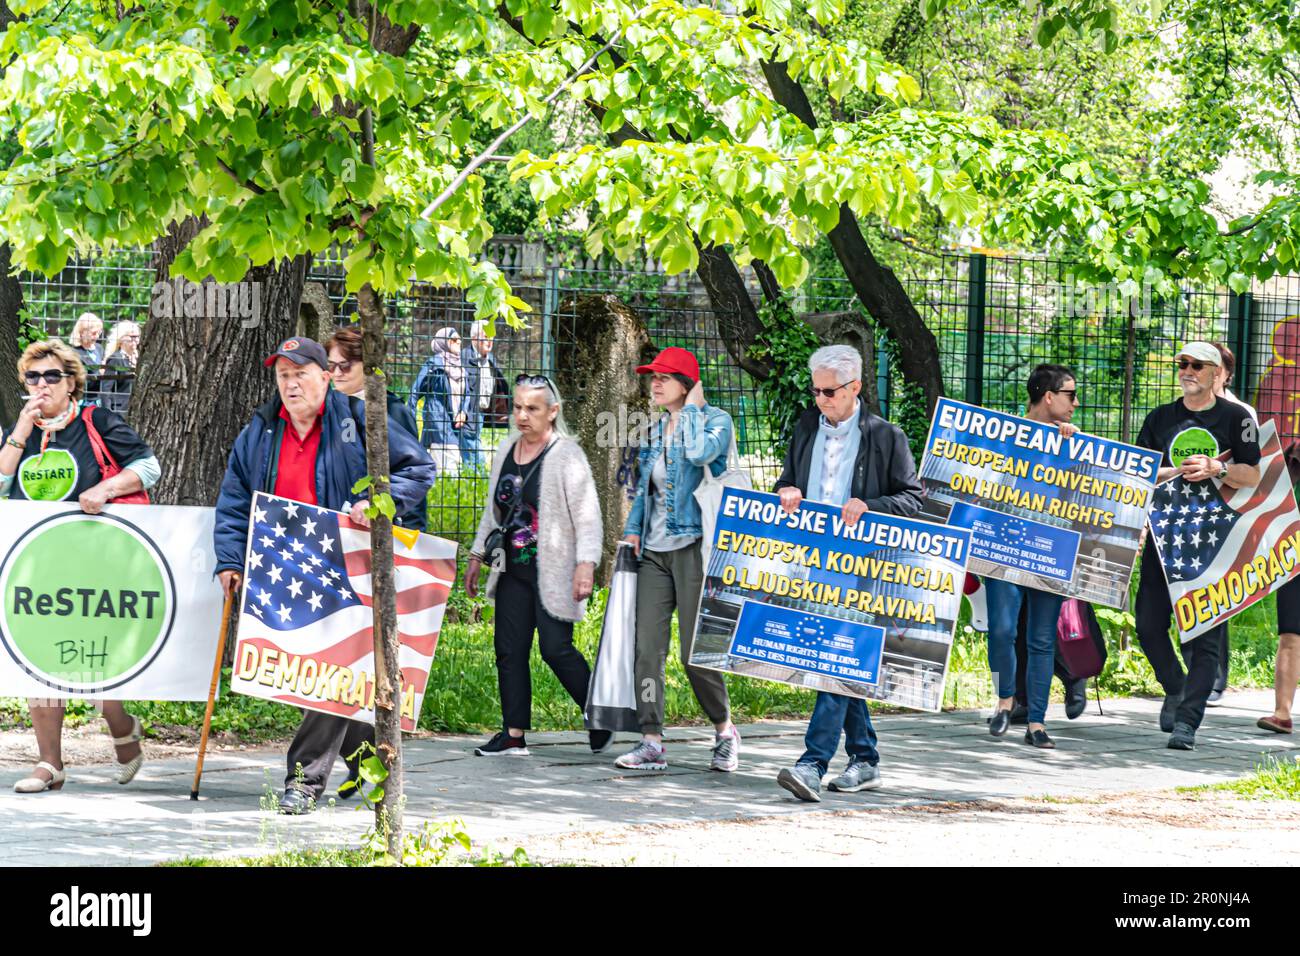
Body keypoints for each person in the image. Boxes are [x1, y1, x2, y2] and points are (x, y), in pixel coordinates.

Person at [213, 336, 435, 814]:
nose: (291, 385)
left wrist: (375, 504)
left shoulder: (357, 420)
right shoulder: (260, 431)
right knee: (320, 677)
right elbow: (234, 499)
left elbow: (419, 470)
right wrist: (230, 559)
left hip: (348, 564)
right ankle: (367, 764)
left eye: (300, 375)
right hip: (286, 568)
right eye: (283, 376)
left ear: (325, 376)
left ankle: (304, 780)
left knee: (331, 672)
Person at [1, 339, 162, 793]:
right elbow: (0, 481)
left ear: (72, 383)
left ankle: (120, 722)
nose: (42, 385)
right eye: (33, 377)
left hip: (98, 560)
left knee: (97, 653)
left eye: (52, 376)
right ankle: (50, 763)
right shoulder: (22, 431)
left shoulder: (97, 421)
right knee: (38, 656)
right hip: (38, 561)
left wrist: (107, 490)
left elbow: (149, 467)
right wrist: (20, 428)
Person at [772, 346, 924, 801]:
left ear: (855, 387)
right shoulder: (804, 426)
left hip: (862, 568)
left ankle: (812, 762)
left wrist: (870, 506)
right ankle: (865, 758)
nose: (820, 399)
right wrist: (786, 491)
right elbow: (785, 479)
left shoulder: (885, 436)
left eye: (830, 391)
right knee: (838, 659)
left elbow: (913, 498)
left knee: (834, 657)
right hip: (810, 562)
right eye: (815, 390)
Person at [465, 374, 608, 755]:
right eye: (517, 407)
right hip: (512, 569)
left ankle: (599, 713)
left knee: (555, 648)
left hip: (555, 570)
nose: (522, 416)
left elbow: (588, 517)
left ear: (552, 411)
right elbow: (493, 511)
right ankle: (513, 734)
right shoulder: (507, 449)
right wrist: (478, 554)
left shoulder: (567, 455)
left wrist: (586, 565)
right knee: (509, 649)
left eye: (532, 408)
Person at [614, 346, 742, 772]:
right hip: (653, 554)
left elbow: (698, 455)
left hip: (693, 549)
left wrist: (691, 410)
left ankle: (724, 730)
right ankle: (651, 739)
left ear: (687, 385)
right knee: (647, 651)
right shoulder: (652, 431)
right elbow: (644, 490)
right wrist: (633, 528)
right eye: (652, 376)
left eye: (664, 377)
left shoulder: (715, 421)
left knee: (694, 651)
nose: (654, 383)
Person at [1135, 341, 1261, 750]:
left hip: (1214, 543)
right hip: (1163, 537)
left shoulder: (1237, 417)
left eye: (1196, 365)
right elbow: (1140, 472)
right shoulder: (1161, 418)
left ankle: (1188, 721)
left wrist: (1217, 467)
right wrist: (1175, 471)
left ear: (1217, 374)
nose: (1186, 371)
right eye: (1182, 364)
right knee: (1149, 625)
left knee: (1205, 634)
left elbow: (1252, 475)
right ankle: (1176, 685)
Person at [981, 364, 1079, 749]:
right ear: (1049, 396)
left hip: (1051, 551)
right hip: (1004, 546)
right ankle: (1006, 700)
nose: (1075, 403)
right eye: (1070, 395)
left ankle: (1036, 722)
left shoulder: (1074, 442)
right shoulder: (1005, 434)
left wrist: (1071, 446)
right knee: (1003, 630)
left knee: (1041, 639)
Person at [1208, 341, 1300, 734]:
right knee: (1291, 632)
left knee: (1292, 634)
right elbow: (1271, 491)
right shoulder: (1293, 456)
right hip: (1295, 548)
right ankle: (1282, 713)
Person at [407, 327, 471, 475]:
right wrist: (409, 418)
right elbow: (416, 390)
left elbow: (467, 393)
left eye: (460, 339)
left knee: (438, 464)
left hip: (455, 421)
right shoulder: (434, 364)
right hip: (437, 419)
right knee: (451, 464)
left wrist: (463, 412)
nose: (459, 342)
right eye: (454, 339)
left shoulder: (460, 366)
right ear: (444, 342)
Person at [460, 320, 506, 472]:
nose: (490, 341)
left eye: (492, 337)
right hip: (466, 413)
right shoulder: (463, 359)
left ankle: (475, 480)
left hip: (482, 412)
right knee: (474, 451)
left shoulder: (490, 359)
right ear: (474, 338)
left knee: (473, 445)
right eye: (486, 337)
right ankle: (477, 480)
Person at [100, 320, 141, 415]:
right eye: (132, 336)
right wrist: (108, 416)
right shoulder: (115, 359)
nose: (135, 340)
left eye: (137, 337)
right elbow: (105, 390)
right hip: (120, 412)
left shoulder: (141, 358)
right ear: (121, 338)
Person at [68, 312, 105, 405]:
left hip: (100, 399)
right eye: (93, 333)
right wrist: (99, 373)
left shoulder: (99, 348)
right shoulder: (73, 352)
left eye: (99, 333)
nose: (97, 336)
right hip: (83, 401)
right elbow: (78, 383)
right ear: (82, 332)